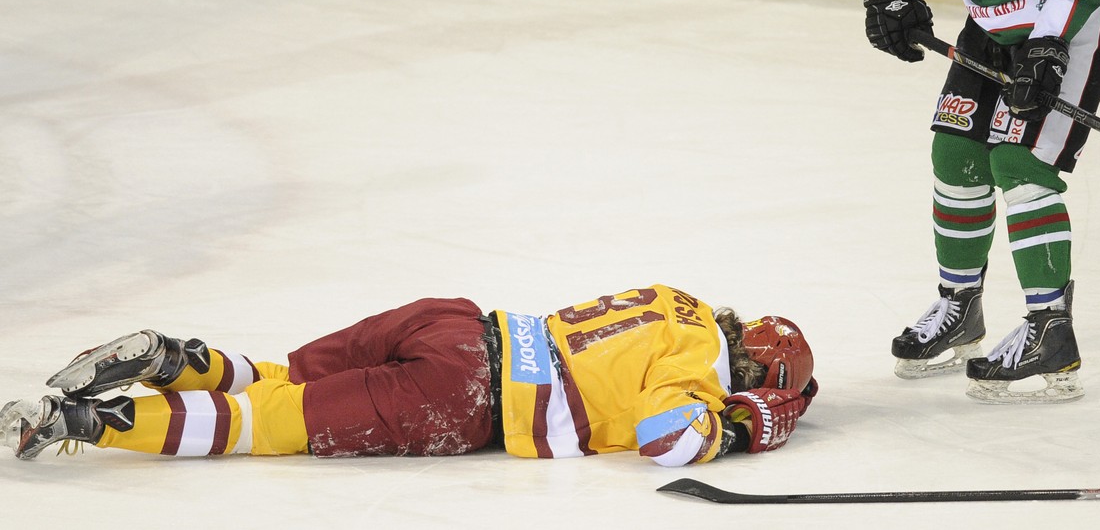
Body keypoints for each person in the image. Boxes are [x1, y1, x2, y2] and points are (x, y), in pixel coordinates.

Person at [859, 0, 1100, 403]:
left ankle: (1050, 331)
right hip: (1001, 0)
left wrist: (1046, 52)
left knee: (1021, 162)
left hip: (1081, 4)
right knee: (955, 149)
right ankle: (960, 306)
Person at [1, 284, 816, 462]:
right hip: (463, 399)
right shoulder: (702, 369)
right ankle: (84, 422)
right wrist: (743, 423)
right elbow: (664, 439)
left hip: (457, 322)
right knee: (267, 423)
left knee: (284, 375)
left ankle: (175, 359)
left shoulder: (682, 299)